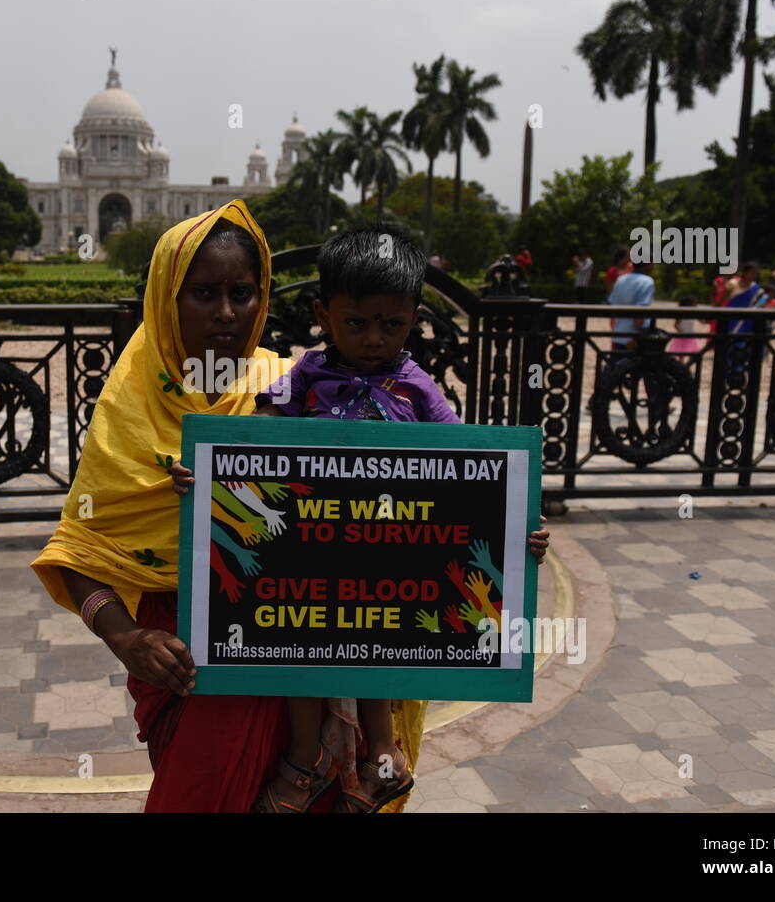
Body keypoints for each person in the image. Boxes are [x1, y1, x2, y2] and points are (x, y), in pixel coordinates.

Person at [172, 224, 551, 813]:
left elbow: (476, 464)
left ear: (414, 318)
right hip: (310, 544)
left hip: (391, 548)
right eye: (357, 323)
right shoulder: (304, 375)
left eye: (391, 325)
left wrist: (520, 516)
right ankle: (307, 758)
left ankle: (382, 760)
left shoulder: (417, 385)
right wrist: (207, 476)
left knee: (379, 651)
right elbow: (258, 437)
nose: (374, 338)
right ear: (324, 314)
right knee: (294, 649)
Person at [31, 200, 298, 813]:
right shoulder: (131, 401)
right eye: (203, 293)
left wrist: (501, 525)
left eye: (243, 292)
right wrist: (126, 637)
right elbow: (77, 548)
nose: (227, 313)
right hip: (181, 658)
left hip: (281, 643)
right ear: (165, 297)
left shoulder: (290, 386)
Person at [607, 253, 656, 348]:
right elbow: (640, 310)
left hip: (618, 334)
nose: (653, 266)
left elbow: (612, 302)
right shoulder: (647, 281)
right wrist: (636, 336)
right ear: (647, 263)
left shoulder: (621, 279)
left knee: (617, 361)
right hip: (634, 338)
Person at [668, 295, 707, 359]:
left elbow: (702, 321)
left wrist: (708, 321)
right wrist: (681, 331)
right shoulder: (681, 314)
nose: (696, 306)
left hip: (690, 335)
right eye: (694, 304)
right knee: (681, 352)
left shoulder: (694, 313)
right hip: (682, 336)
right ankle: (682, 364)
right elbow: (676, 325)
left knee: (693, 351)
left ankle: (689, 363)